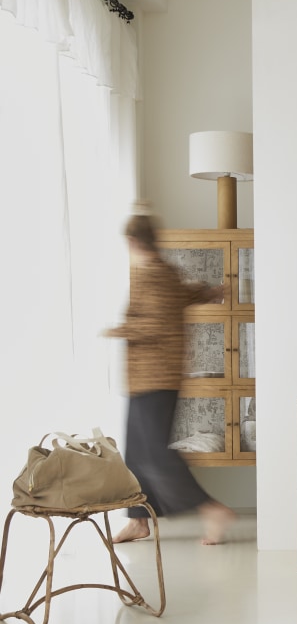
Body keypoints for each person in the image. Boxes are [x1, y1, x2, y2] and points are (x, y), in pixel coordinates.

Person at [104, 210, 235, 545]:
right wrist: (209, 292)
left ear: (132, 241)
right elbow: (180, 296)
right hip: (142, 380)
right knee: (135, 454)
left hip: (157, 379)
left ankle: (211, 508)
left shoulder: (155, 275)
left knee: (156, 454)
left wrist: (119, 330)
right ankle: (139, 520)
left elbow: (155, 323)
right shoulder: (159, 273)